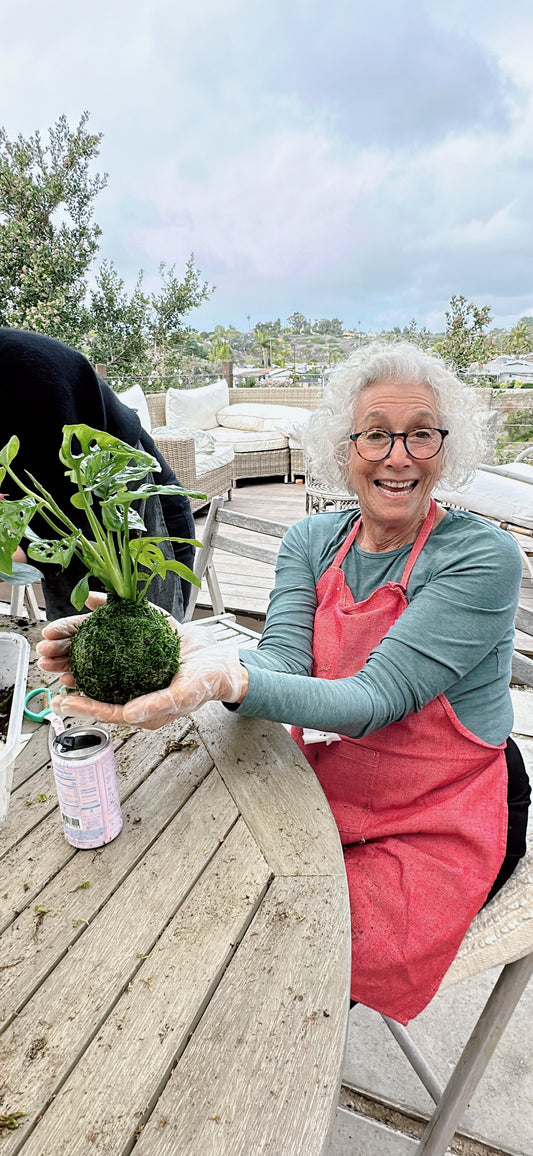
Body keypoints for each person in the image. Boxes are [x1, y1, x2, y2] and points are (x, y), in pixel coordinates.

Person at [38, 341, 530, 1025]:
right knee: (204, 902)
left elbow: (371, 701)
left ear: (444, 449)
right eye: (376, 435)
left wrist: (225, 682)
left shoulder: (480, 556)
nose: (398, 456)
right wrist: (186, 650)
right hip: (335, 778)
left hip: (442, 811)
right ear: (344, 447)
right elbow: (284, 665)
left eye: (421, 434)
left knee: (277, 967)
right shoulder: (313, 540)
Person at [0, 327, 196, 621]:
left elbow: (21, 553)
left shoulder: (23, 367)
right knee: (74, 644)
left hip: (124, 494)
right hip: (62, 517)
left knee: (148, 638)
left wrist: (16, 551)